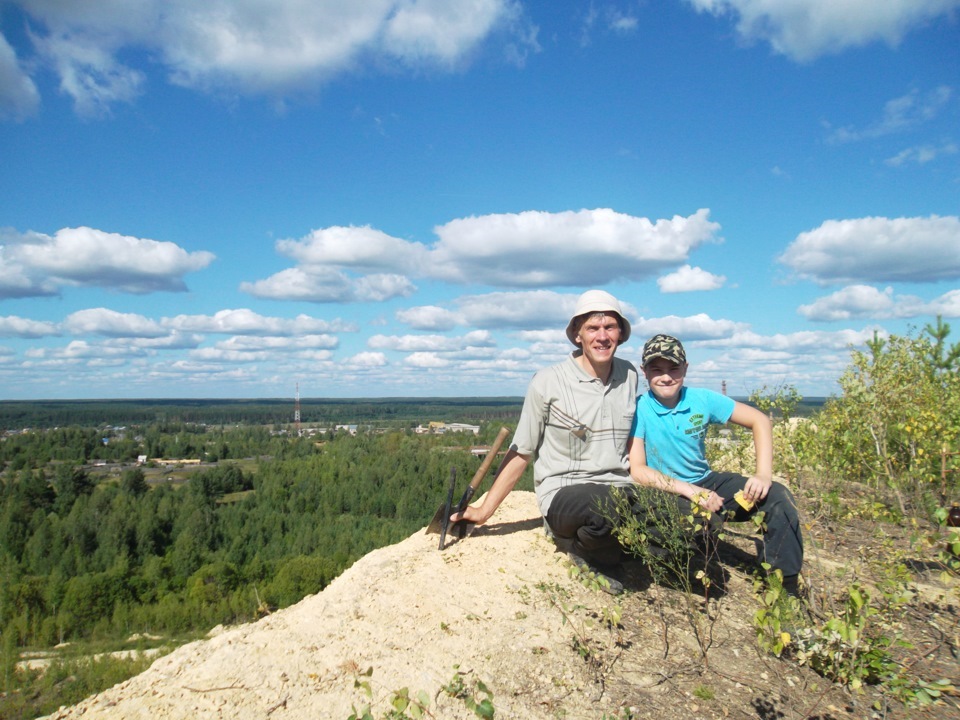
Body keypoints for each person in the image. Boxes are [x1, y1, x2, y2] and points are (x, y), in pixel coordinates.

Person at [450, 289, 639, 592]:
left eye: (610, 327)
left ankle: (607, 542)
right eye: (592, 328)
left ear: (620, 333)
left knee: (686, 523)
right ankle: (578, 548)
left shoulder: (629, 375)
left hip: (620, 488)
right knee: (604, 510)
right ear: (578, 334)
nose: (602, 336)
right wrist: (484, 512)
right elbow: (522, 452)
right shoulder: (548, 382)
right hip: (566, 494)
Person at [628, 334, 805, 596]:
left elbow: (760, 421)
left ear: (685, 368)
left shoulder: (701, 399)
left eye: (674, 368)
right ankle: (670, 563)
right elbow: (639, 470)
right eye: (657, 369)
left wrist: (763, 475)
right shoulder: (639, 409)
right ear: (644, 372)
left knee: (778, 497)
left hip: (706, 481)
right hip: (665, 490)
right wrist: (691, 492)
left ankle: (786, 588)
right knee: (702, 524)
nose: (666, 377)